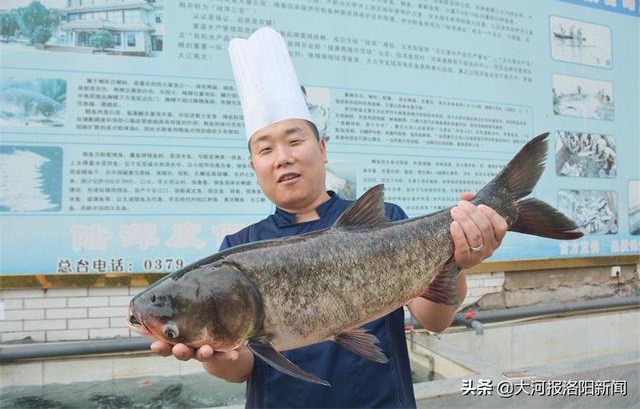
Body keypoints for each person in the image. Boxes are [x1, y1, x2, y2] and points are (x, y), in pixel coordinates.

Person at [151, 27, 508, 408]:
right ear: (253, 165)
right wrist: (221, 359)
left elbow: (434, 321)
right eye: (265, 148)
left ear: (322, 149)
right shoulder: (237, 250)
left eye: (294, 140)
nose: (283, 157)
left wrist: (458, 261)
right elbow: (242, 369)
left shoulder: (387, 221)